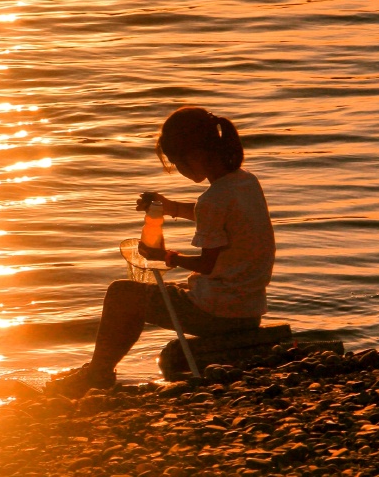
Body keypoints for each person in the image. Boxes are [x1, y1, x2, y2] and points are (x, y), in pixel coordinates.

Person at [45, 107, 275, 397]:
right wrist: (169, 207)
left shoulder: (213, 199)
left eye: (177, 163)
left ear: (193, 156)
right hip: (248, 307)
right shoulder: (245, 183)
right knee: (144, 294)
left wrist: (168, 258)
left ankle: (99, 372)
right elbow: (220, 219)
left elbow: (206, 264)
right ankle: (99, 368)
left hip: (218, 312)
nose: (178, 170)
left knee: (122, 294)